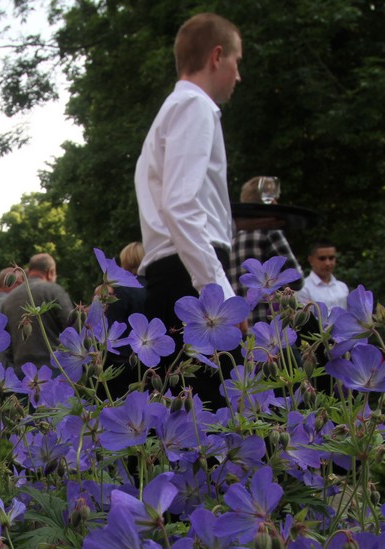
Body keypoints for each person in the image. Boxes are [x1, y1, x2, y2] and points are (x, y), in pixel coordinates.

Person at [135, 11, 241, 329]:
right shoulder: (194, 106)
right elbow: (180, 205)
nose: (238, 76)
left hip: (178, 270)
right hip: (187, 274)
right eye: (237, 61)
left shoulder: (173, 111)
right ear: (217, 56)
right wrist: (219, 291)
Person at [230, 176, 302, 323]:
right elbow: (297, 280)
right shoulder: (270, 232)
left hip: (239, 323)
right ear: (269, 201)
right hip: (270, 326)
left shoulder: (231, 236)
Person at [2, 253, 73, 370]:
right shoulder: (54, 290)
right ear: (50, 272)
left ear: (29, 270)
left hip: (22, 371)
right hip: (53, 367)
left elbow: (6, 343)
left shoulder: (8, 299)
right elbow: (72, 324)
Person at [295, 241, 350, 312]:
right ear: (311, 260)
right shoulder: (303, 288)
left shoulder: (342, 287)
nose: (328, 263)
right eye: (322, 258)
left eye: (331, 258)